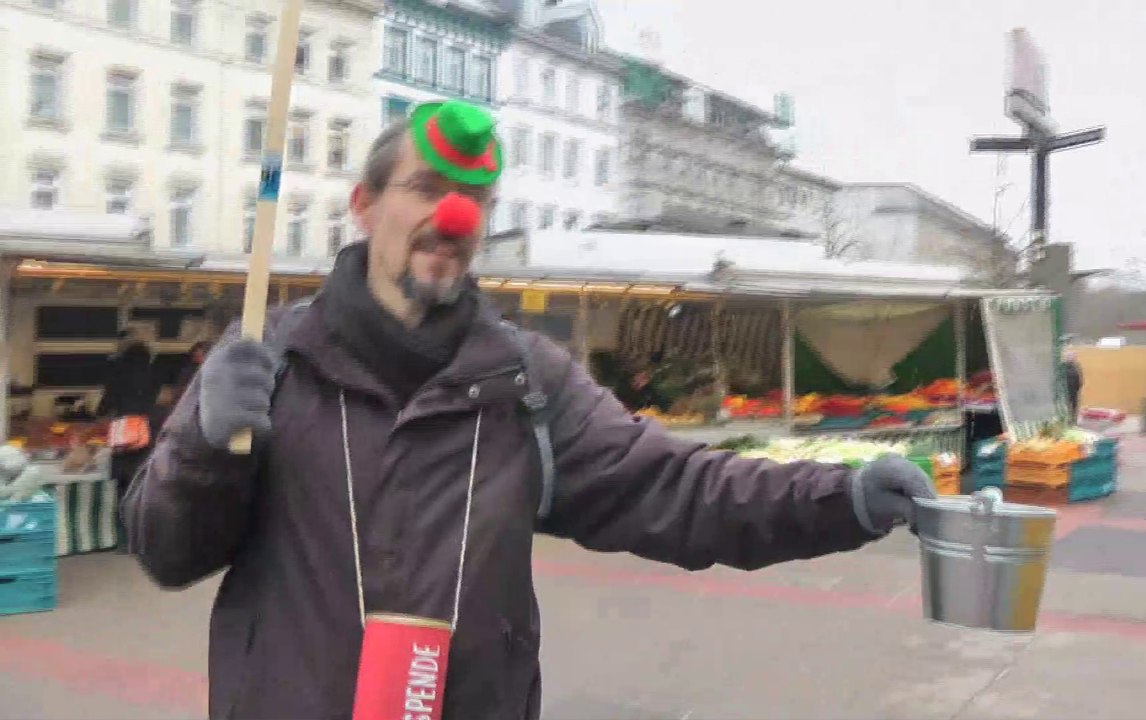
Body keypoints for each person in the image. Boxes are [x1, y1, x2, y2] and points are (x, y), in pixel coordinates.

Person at [123, 100, 935, 719]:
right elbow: (166, 552)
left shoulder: (525, 384)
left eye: (475, 195)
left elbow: (680, 492)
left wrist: (843, 497)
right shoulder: (268, 358)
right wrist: (200, 446)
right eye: (428, 189)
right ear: (364, 205)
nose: (455, 218)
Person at [99, 328, 159, 541]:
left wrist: (99, 413)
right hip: (144, 428)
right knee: (140, 482)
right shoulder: (152, 370)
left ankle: (122, 535)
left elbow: (110, 397)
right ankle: (139, 535)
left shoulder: (118, 368)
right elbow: (153, 395)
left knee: (121, 483)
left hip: (123, 427)